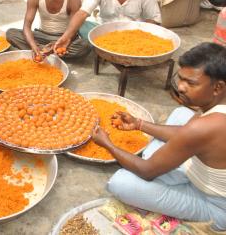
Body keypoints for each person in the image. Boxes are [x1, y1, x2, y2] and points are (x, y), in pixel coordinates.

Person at [91, 42, 226, 231]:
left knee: (121, 182)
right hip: (203, 169)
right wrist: (139, 124)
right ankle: (162, 162)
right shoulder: (215, 107)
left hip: (216, 206)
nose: (180, 87)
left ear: (218, 87)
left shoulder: (203, 128)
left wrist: (108, 144)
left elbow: (147, 171)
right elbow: (186, 134)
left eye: (191, 83)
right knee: (180, 113)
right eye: (181, 79)